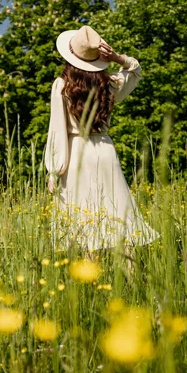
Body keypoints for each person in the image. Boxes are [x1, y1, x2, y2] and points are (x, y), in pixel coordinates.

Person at [44, 25, 158, 252]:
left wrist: (54, 171)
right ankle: (132, 280)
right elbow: (135, 69)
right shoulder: (109, 85)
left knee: (85, 227)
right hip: (106, 150)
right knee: (119, 216)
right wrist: (117, 57)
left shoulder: (62, 86)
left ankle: (91, 281)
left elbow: (56, 130)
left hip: (77, 154)